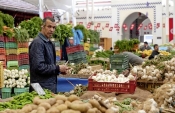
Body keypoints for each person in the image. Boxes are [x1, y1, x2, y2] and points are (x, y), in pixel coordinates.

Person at [29, 17, 68, 93]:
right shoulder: (38, 43)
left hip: (49, 86)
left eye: (54, 27)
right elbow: (39, 67)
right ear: (42, 26)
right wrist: (57, 68)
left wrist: (59, 70)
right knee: (41, 104)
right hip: (40, 88)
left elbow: (49, 65)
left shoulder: (49, 42)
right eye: (49, 27)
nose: (52, 30)